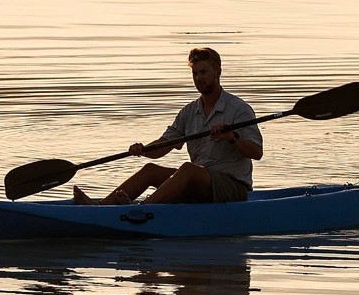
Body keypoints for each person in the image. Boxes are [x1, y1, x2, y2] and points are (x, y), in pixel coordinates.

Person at [73, 47, 262, 205]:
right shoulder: (188, 112)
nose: (198, 78)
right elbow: (164, 144)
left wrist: (232, 137)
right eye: (194, 73)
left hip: (232, 188)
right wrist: (143, 149)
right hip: (200, 183)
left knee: (187, 169)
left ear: (218, 72)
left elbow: (257, 152)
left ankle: (142, 209)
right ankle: (100, 207)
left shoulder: (239, 109)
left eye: (203, 72)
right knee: (150, 170)